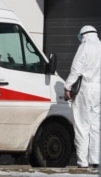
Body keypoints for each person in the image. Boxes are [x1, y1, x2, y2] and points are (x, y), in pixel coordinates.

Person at [64, 25, 101, 168]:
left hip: (85, 89)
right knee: (96, 126)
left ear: (84, 35)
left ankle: (82, 161)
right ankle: (95, 159)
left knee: (81, 126)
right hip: (98, 90)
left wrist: (67, 87)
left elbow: (76, 70)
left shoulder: (84, 47)